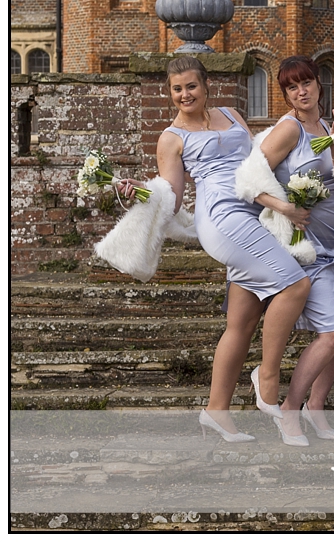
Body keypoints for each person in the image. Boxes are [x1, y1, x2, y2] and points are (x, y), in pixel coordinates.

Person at [119, 56, 310, 442]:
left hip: (254, 211)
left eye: (190, 86)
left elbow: (256, 162)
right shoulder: (172, 137)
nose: (184, 94)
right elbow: (170, 198)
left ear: (206, 86)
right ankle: (267, 376)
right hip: (222, 219)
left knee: (241, 322)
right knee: (295, 285)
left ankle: (216, 410)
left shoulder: (232, 113)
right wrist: (135, 192)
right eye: (176, 89)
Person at [235, 56, 334, 445]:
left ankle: (315, 408)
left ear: (319, 85)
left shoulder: (326, 127)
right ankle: (290, 409)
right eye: (291, 87)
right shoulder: (289, 130)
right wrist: (284, 207)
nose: (300, 92)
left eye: (305, 83)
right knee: (333, 335)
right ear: (285, 94)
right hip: (310, 250)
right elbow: (249, 177)